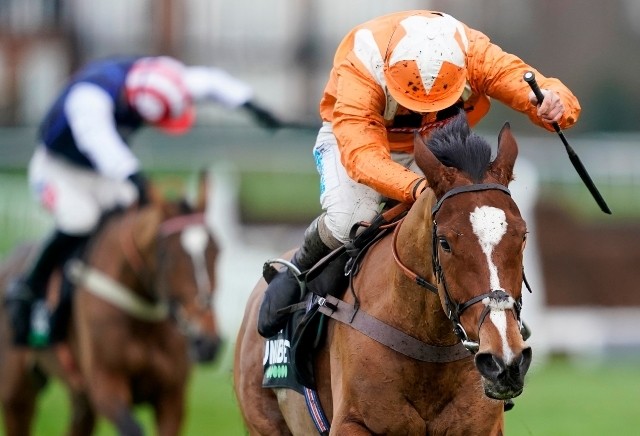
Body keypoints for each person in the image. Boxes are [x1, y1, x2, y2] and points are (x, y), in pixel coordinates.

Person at [257, 10, 581, 338]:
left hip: (433, 143)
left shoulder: (473, 52)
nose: (424, 109)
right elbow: (363, 157)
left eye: (437, 101)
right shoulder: (363, 62)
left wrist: (554, 105)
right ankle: (299, 270)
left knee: (470, 216)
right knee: (351, 220)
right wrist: (419, 188)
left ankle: (493, 309)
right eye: (414, 101)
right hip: (359, 141)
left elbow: (541, 88)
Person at [4, 55, 282, 348]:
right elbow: (102, 147)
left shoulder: (158, 78)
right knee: (81, 218)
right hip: (57, 169)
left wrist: (251, 105)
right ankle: (30, 286)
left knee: (136, 214)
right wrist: (138, 181)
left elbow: (211, 82)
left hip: (99, 171)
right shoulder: (89, 100)